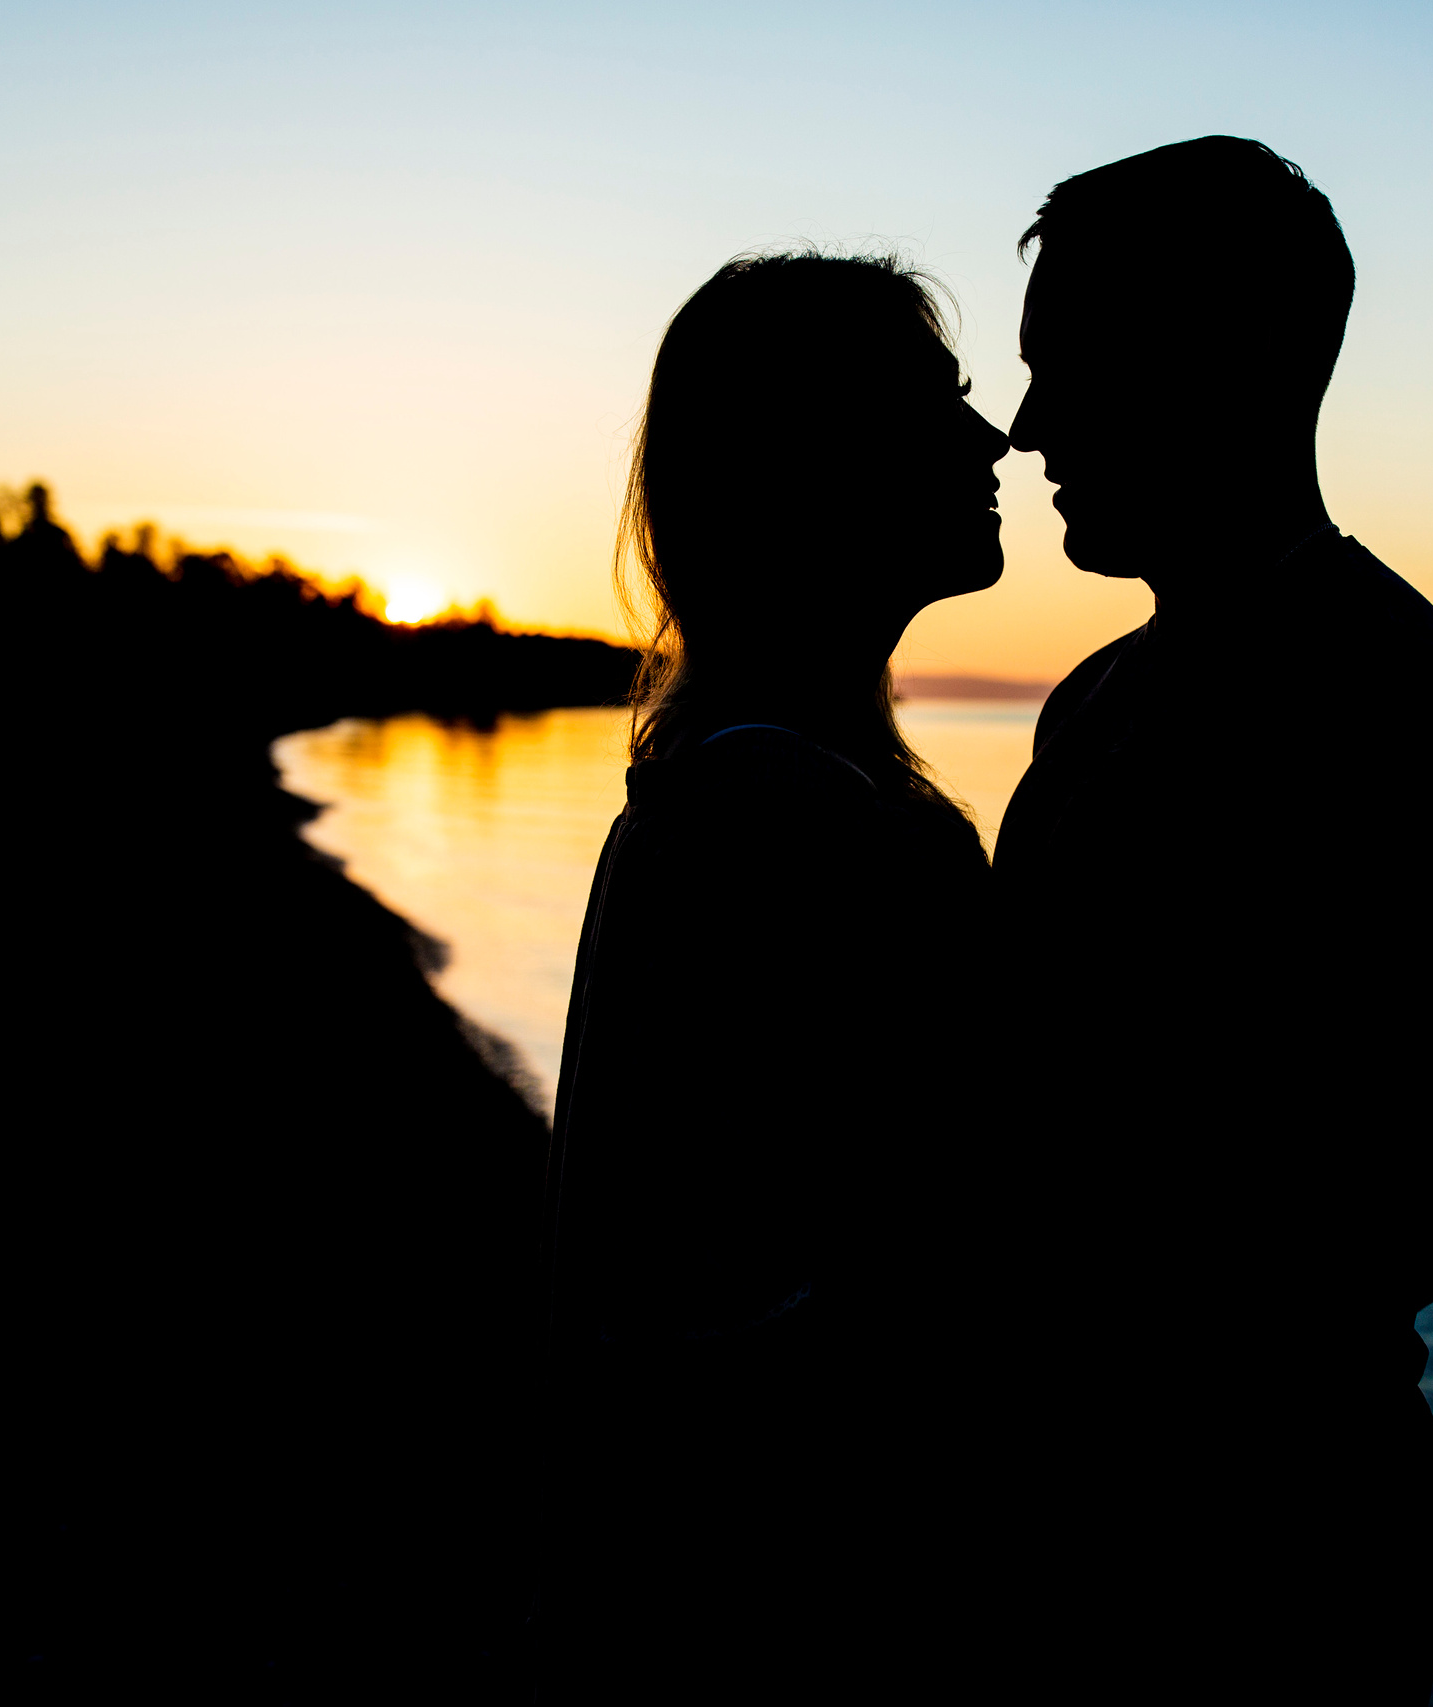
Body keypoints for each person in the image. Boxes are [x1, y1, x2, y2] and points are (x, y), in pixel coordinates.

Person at [993, 138, 1433, 1700]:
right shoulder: (1103, 696)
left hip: (1252, 1555)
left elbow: (1335, 1222)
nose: (1027, 428)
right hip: (1079, 1511)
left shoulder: (1380, 705)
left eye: (1069, 365)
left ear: (1235, 361)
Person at [537, 252, 1011, 1701]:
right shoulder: (783, 815)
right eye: (942, 407)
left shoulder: (772, 783)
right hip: (801, 1613)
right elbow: (748, 1293)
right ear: (823, 464)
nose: (992, 441)